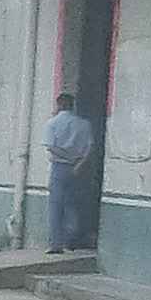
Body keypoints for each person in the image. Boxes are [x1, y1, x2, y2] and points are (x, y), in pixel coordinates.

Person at [44, 89, 100, 252]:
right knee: (73, 204)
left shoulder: (52, 123)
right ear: (72, 105)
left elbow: (51, 147)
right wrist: (78, 163)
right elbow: (89, 148)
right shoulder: (84, 124)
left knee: (56, 206)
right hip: (78, 169)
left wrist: (67, 158)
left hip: (59, 167)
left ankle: (56, 244)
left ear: (58, 105)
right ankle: (71, 239)